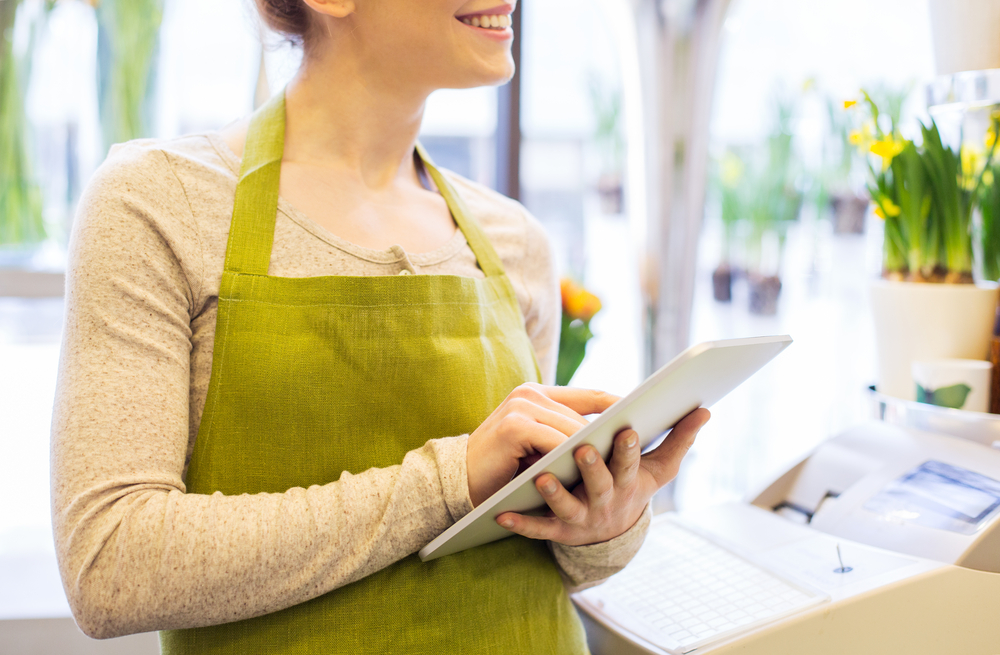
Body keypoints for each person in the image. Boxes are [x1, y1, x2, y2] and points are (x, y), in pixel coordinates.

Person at [50, 0, 710, 652]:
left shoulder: (514, 242)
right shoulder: (160, 205)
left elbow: (533, 544)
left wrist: (607, 519)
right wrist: (447, 481)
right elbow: (111, 566)